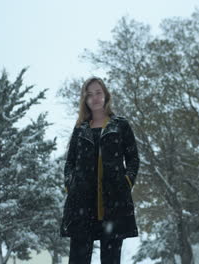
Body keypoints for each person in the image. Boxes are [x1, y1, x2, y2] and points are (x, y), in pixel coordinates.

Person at [60, 77, 140, 264]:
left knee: (111, 260)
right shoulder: (80, 129)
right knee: (78, 259)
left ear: (105, 95)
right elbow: (69, 162)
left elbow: (133, 159)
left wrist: (126, 183)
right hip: (82, 205)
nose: (94, 98)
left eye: (98, 93)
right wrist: (70, 185)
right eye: (89, 95)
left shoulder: (120, 125)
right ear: (85, 100)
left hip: (113, 204)